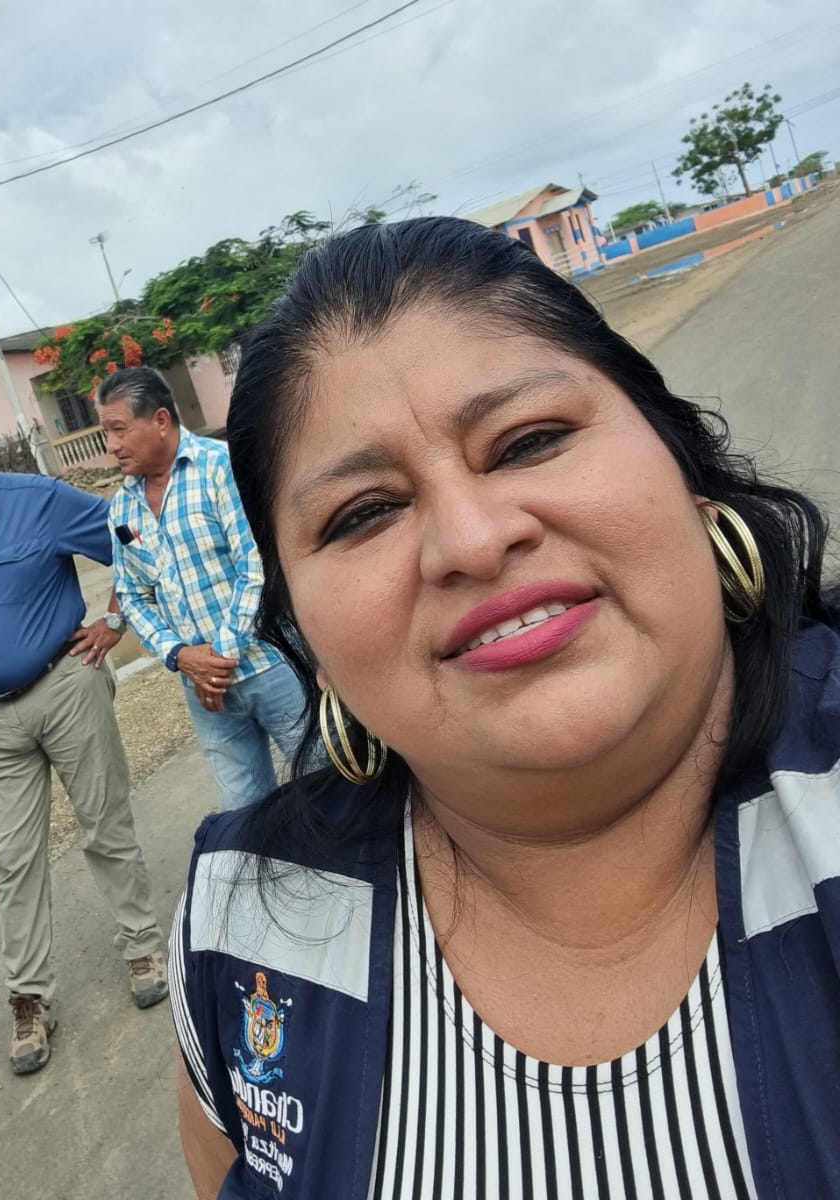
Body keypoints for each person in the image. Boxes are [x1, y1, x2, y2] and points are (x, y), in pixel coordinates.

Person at [172, 215, 840, 1198]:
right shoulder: (241, 923)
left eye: (529, 441)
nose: (474, 543)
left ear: (686, 471)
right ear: (304, 633)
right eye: (364, 513)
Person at [0, 396, 168, 1077]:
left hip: (65, 687)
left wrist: (114, 621)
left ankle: (141, 947)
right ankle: (28, 997)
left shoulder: (37, 499)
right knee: (13, 860)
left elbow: (133, 542)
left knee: (104, 825)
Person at [99, 366, 309, 809]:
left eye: (119, 429)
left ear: (160, 420)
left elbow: (256, 565)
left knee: (325, 782)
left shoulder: (220, 468)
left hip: (271, 664)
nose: (112, 445)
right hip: (203, 689)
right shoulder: (122, 508)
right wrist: (180, 655)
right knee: (242, 809)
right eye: (106, 433)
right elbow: (132, 595)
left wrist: (219, 658)